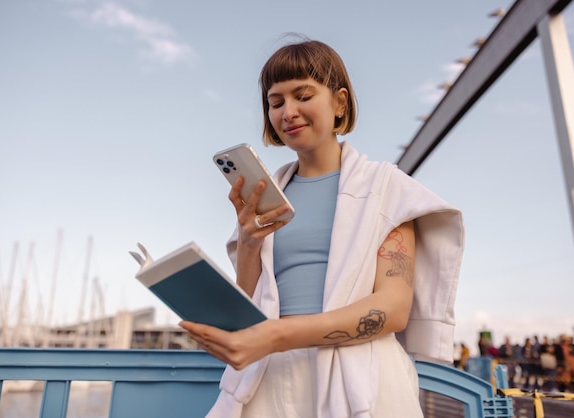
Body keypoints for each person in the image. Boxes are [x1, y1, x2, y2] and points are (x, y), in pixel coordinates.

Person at [179, 37, 464, 417]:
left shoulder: (386, 187)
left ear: (340, 102)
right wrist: (248, 243)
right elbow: (247, 307)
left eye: (303, 95)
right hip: (268, 377)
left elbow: (393, 309)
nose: (288, 112)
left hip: (364, 373)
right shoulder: (267, 196)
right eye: (276, 102)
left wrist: (279, 335)